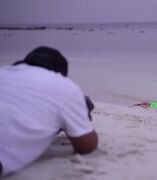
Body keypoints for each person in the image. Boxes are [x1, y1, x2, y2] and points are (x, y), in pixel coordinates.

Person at [0, 46, 98, 177]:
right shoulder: (66, 87)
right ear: (61, 73)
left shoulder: (3, 72)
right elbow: (87, 146)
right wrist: (73, 120)